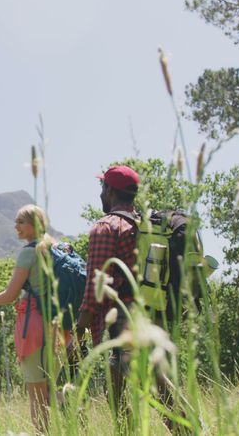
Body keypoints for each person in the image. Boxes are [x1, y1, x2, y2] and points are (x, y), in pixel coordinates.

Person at [0, 204, 68, 433]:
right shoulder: (60, 248)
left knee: (37, 394)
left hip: (35, 326)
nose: (15, 226)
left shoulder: (30, 252)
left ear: (34, 224)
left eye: (20, 222)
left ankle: (65, 401)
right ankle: (66, 397)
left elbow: (10, 295)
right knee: (47, 388)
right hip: (61, 327)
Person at [75, 165, 141, 419]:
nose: (101, 194)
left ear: (111, 190)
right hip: (152, 321)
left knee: (118, 397)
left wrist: (79, 329)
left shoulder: (106, 227)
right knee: (153, 392)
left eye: (103, 187)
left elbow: (95, 287)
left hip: (121, 329)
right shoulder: (144, 224)